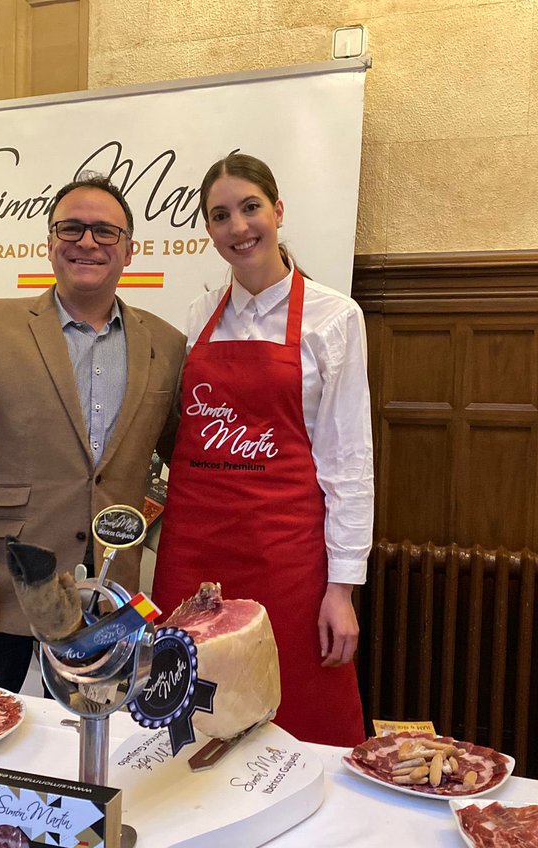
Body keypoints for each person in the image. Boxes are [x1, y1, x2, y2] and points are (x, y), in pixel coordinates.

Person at [0, 173, 185, 691]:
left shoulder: (168, 344)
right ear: (49, 244)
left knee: (86, 752)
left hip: (107, 596)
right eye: (72, 228)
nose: (87, 242)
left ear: (128, 251)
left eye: (105, 232)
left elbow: (190, 464)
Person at [152, 154, 373, 747]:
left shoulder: (333, 316)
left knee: (299, 714)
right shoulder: (199, 315)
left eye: (250, 207)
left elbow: (350, 463)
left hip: (286, 554)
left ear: (278, 210)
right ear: (208, 230)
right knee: (188, 721)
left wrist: (343, 588)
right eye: (220, 215)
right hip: (193, 551)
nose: (238, 227)